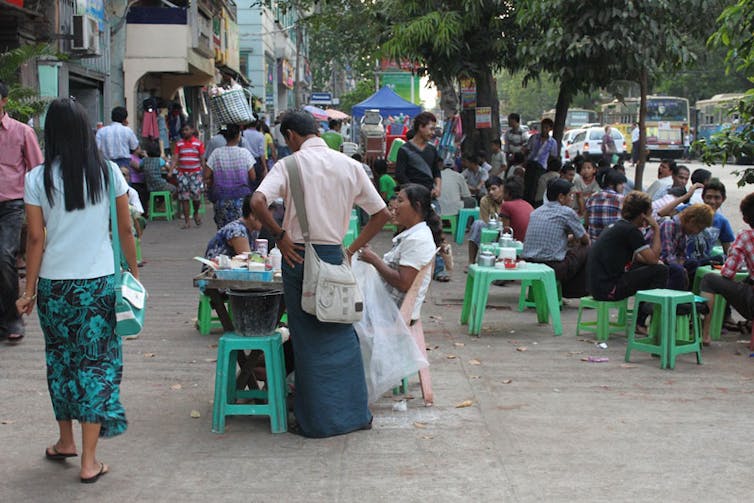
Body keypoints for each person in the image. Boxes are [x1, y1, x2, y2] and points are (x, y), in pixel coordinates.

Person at [16, 97, 137, 483]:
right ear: (87, 131)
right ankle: (89, 460)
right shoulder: (108, 174)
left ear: (49, 134)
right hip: (98, 284)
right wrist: (132, 273)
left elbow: (35, 239)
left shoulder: (37, 178)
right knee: (95, 365)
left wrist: (29, 290)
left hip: (55, 288)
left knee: (62, 362)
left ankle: (65, 440)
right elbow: (125, 229)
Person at [251, 111, 390, 438]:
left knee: (307, 340)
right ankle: (354, 414)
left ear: (290, 135)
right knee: (342, 332)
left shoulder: (289, 165)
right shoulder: (350, 165)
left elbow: (257, 201)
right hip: (336, 256)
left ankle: (318, 420)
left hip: (298, 255)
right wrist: (352, 248)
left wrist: (279, 235)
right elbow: (382, 214)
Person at [0, 79, 44, 343]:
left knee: (4, 256)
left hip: (12, 205)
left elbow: (37, 171)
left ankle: (12, 317)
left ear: (4, 100)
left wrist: (38, 211)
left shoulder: (21, 132)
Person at [357, 184, 441, 321]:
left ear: (417, 206)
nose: (395, 206)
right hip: (385, 305)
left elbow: (404, 283)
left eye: (400, 201)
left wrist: (374, 260)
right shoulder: (412, 235)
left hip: (393, 313)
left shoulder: (418, 240)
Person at [588, 191, 668, 302]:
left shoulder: (618, 225)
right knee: (660, 271)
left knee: (649, 267)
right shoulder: (631, 231)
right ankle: (643, 315)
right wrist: (656, 228)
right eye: (650, 213)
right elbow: (653, 260)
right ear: (643, 215)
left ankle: (642, 313)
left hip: (597, 288)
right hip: (609, 289)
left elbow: (639, 258)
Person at [700, 192, 754, 345]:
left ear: (745, 219)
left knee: (709, 280)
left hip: (752, 302)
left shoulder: (745, 236)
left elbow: (728, 272)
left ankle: (706, 334)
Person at [522, 179, 590, 298]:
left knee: (569, 252)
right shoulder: (566, 212)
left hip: (529, 263)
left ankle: (559, 292)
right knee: (588, 248)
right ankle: (577, 291)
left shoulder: (536, 211)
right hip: (553, 267)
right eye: (570, 195)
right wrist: (576, 238)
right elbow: (585, 239)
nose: (572, 199)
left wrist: (570, 238)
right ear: (561, 197)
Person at [204, 124, 256, 229]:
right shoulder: (245, 153)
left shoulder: (216, 153)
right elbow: (253, 176)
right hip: (241, 198)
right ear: (238, 136)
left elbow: (206, 175)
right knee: (241, 229)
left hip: (221, 198)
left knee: (224, 230)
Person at [659, 203, 714, 290]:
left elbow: (682, 256)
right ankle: (676, 300)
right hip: (658, 264)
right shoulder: (669, 224)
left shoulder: (684, 234)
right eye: (699, 228)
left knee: (693, 264)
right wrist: (681, 267)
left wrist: (682, 263)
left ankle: (692, 295)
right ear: (691, 221)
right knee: (678, 270)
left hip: (672, 263)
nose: (697, 232)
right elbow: (667, 256)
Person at [395, 111, 442, 203]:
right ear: (421, 127)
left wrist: (438, 187)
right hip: (411, 199)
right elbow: (400, 175)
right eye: (431, 129)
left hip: (430, 198)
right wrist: (415, 191)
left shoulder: (432, 149)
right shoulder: (404, 150)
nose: (433, 133)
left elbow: (436, 172)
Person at [204, 194, 262, 260]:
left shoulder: (253, 230)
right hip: (216, 269)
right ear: (252, 216)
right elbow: (250, 260)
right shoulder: (238, 231)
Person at [170, 123, 206, 229]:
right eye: (183, 130)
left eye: (187, 130)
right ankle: (187, 221)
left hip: (195, 173)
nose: (185, 132)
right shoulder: (179, 144)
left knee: (196, 197)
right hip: (183, 174)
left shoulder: (198, 144)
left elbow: (202, 159)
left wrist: (204, 173)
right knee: (184, 198)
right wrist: (171, 171)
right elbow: (175, 158)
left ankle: (195, 212)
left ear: (192, 130)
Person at [467, 176, 505, 266]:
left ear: (502, 187)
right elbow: (484, 220)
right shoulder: (485, 200)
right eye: (489, 190)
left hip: (505, 231)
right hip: (490, 229)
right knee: (477, 224)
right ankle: (471, 261)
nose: (491, 192)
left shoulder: (508, 200)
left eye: (494, 189)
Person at [95, 106, 141, 171]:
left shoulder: (101, 131)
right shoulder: (127, 130)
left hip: (106, 163)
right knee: (123, 180)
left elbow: (97, 148)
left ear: (112, 117)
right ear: (124, 119)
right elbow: (134, 147)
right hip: (124, 163)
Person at [585, 168, 626, 241]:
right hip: (614, 244)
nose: (623, 186)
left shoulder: (592, 197)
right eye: (620, 184)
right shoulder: (621, 199)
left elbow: (586, 221)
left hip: (593, 244)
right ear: (611, 184)